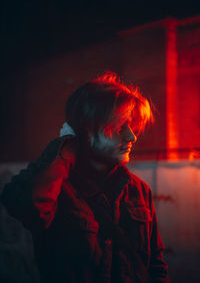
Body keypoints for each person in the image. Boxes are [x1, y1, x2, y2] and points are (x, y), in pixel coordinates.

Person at [1, 71, 170, 283]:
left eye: (131, 126)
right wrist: (64, 147)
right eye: (118, 127)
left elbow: (156, 264)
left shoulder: (139, 190)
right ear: (85, 132)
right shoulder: (56, 188)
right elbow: (29, 206)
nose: (131, 136)